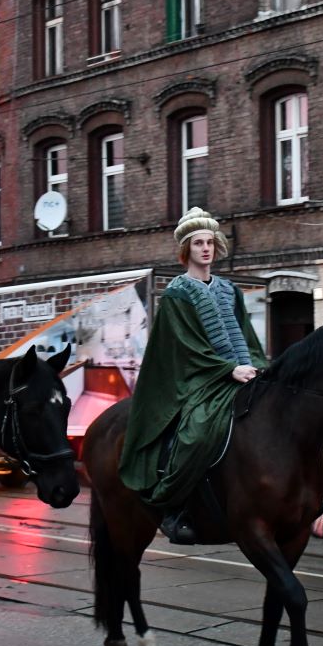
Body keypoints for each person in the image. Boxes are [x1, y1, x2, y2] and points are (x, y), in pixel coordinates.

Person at [118, 208, 266, 545]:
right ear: (187, 249)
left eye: (210, 242)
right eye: (198, 243)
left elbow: (245, 334)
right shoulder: (177, 294)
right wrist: (228, 369)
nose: (205, 248)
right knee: (196, 434)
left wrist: (257, 365)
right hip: (197, 381)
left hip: (241, 373)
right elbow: (185, 349)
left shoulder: (230, 290)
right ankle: (174, 508)